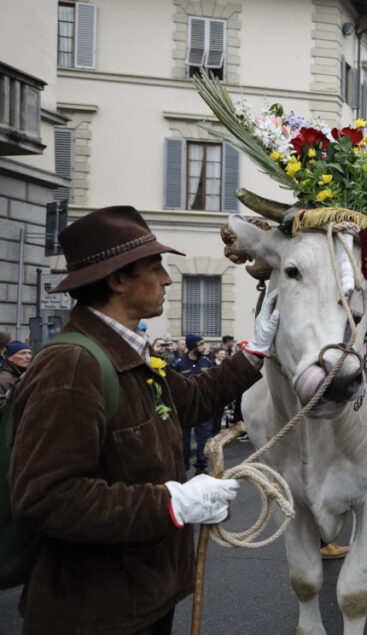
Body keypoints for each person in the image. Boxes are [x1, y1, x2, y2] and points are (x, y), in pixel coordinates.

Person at [8, 205, 279, 635]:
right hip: (95, 613)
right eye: (155, 267)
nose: (168, 279)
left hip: (141, 599)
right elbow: (47, 498)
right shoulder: (71, 364)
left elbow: (192, 400)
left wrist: (254, 351)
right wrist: (173, 503)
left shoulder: (130, 350)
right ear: (117, 280)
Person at [173, 333, 213, 475]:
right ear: (192, 347)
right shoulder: (177, 364)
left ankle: (201, 469)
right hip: (185, 409)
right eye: (201, 345)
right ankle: (183, 468)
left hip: (203, 408)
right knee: (183, 441)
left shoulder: (207, 362)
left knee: (204, 440)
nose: (204, 347)